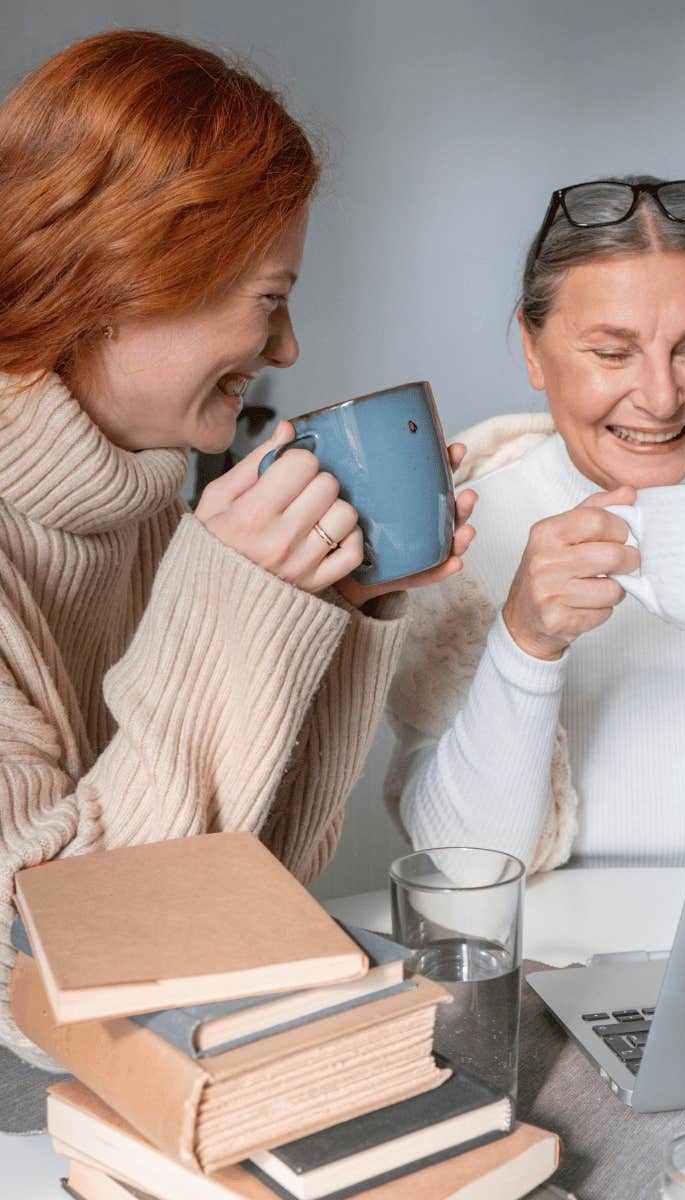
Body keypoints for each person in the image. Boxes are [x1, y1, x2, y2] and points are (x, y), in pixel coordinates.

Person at [0, 30, 475, 1066]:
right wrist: (225, 598)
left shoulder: (141, 508)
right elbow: (42, 980)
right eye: (269, 300)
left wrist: (328, 612)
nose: (289, 349)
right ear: (122, 279)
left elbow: (254, 884)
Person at [387, 176, 685, 875]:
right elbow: (467, 872)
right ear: (533, 349)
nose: (661, 399)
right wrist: (525, 642)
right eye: (612, 352)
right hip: (540, 969)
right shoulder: (466, 539)